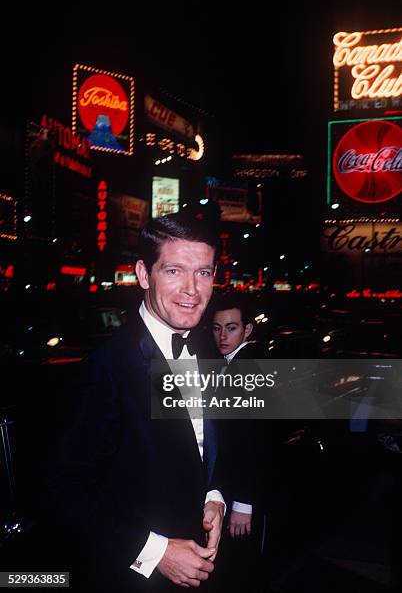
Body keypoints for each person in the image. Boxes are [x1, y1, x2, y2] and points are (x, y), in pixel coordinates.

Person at [44, 213, 225, 592]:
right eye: (174, 271)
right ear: (144, 274)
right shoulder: (106, 367)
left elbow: (209, 446)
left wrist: (214, 497)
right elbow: (63, 494)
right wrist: (156, 552)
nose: (192, 290)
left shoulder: (208, 348)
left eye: (204, 272)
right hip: (128, 577)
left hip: (202, 571)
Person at [211, 293, 267, 591]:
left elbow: (253, 440)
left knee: (240, 571)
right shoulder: (229, 364)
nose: (222, 335)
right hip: (228, 486)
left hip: (240, 491)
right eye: (217, 327)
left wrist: (243, 503)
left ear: (247, 330)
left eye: (231, 328)